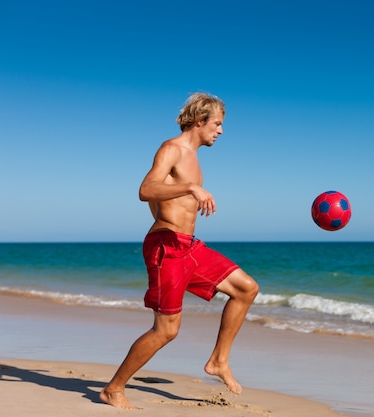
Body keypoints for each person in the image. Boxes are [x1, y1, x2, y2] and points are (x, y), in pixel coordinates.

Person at [100, 93, 259, 409]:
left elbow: (160, 200)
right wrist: (189, 188)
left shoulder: (195, 158)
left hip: (188, 246)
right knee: (166, 331)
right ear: (200, 121)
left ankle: (218, 360)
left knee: (246, 289)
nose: (221, 131)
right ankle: (113, 389)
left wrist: (178, 203)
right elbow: (146, 190)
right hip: (166, 248)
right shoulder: (171, 148)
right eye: (217, 124)